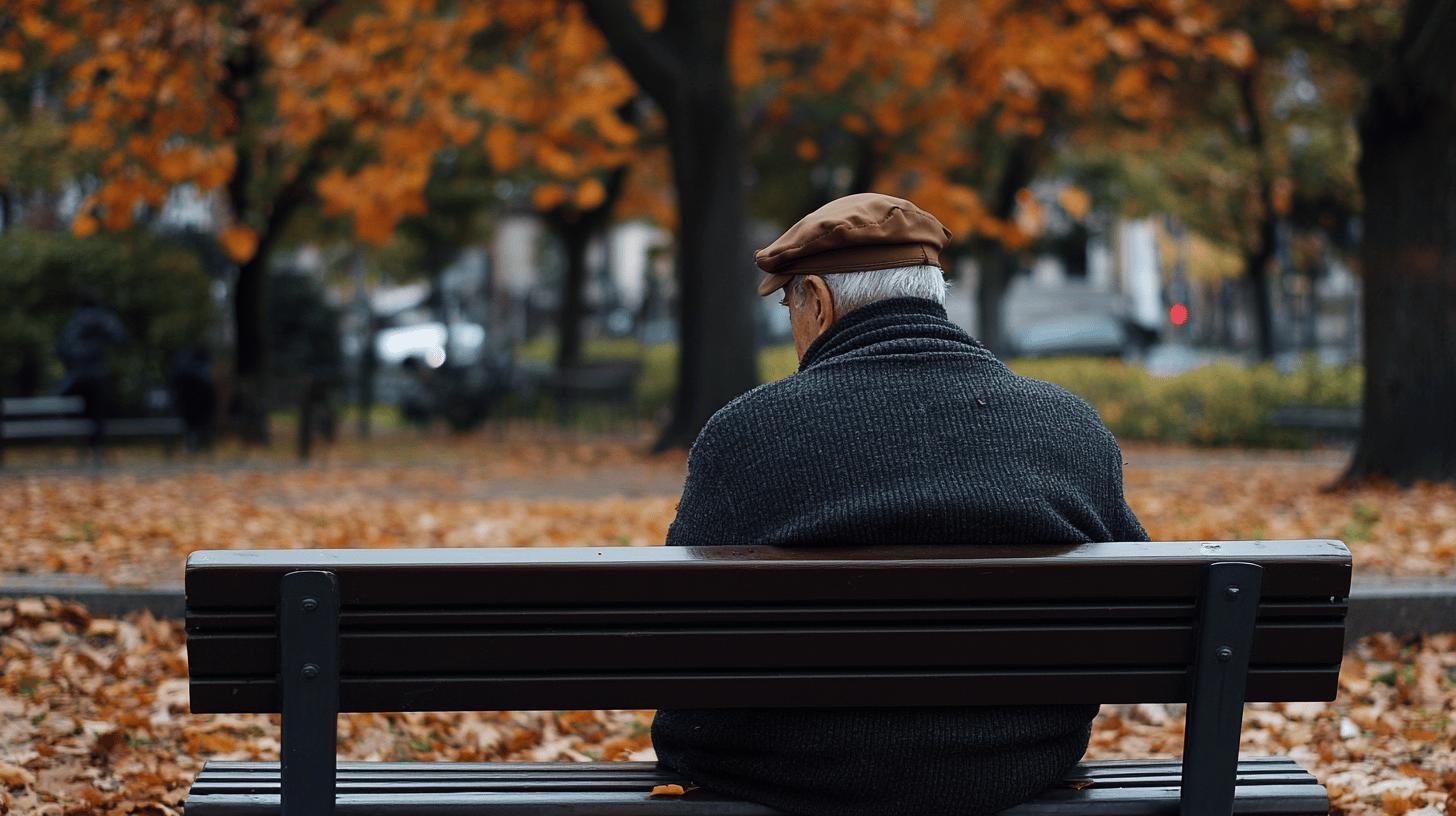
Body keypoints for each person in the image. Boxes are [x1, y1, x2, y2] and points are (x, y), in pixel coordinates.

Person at [650, 193, 1148, 816]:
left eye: (789, 304)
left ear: (819, 303)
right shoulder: (1068, 427)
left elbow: (678, 632)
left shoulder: (748, 432)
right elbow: (1138, 615)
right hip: (1014, 759)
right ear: (931, 294)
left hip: (777, 769)